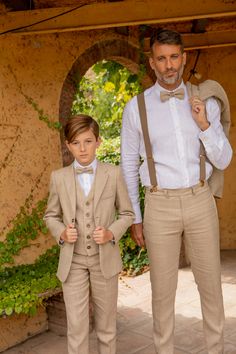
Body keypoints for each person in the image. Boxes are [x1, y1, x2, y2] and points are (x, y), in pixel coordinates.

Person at [121, 28, 232, 354]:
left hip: (199, 200)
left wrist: (204, 125)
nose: (169, 65)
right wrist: (135, 217)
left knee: (210, 287)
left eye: (174, 57)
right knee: (162, 291)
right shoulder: (135, 109)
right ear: (152, 63)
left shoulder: (205, 102)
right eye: (161, 59)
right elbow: (129, 165)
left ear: (183, 58)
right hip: (159, 204)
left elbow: (224, 158)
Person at [44, 114, 134, 354]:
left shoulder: (113, 174)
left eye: (87, 141)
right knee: (77, 327)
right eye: (76, 143)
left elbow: (127, 214)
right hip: (72, 262)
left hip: (104, 259)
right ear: (68, 145)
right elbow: (50, 216)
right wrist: (61, 232)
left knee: (106, 327)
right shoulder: (59, 178)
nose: (82, 148)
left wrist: (110, 233)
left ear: (98, 142)